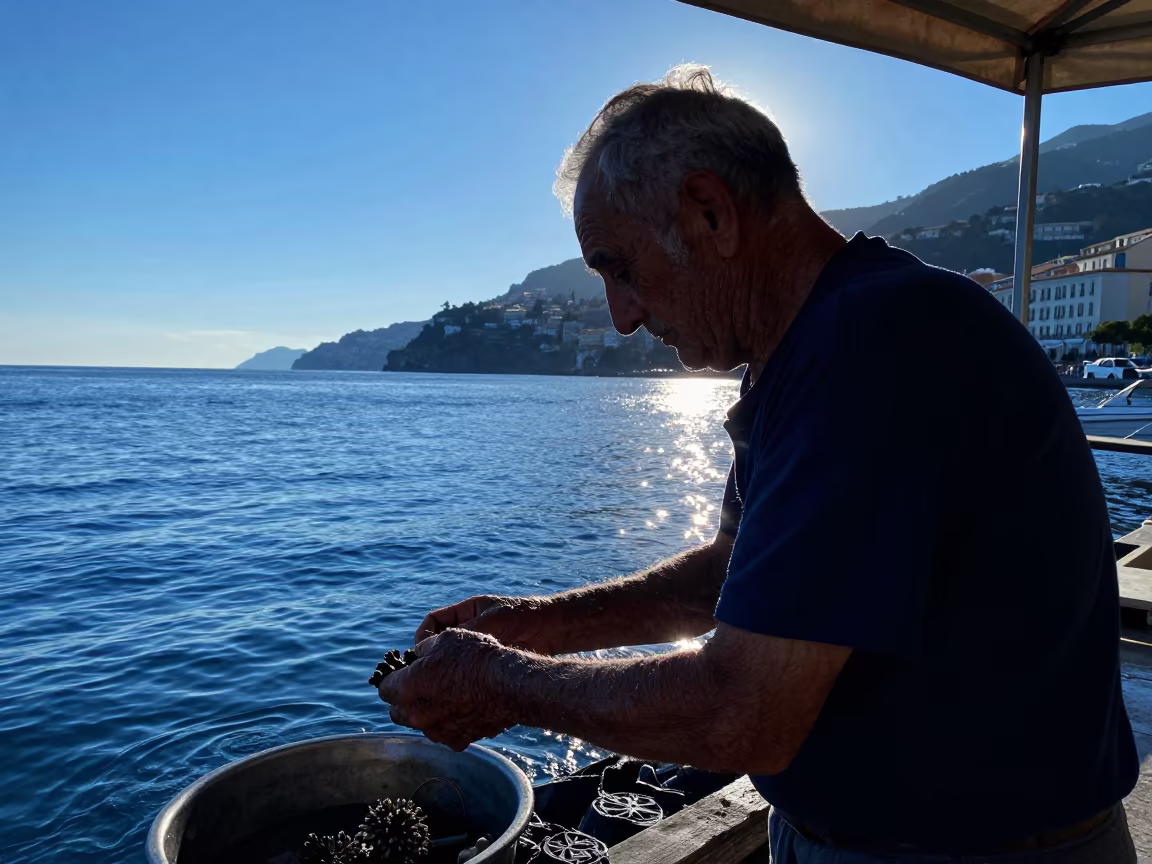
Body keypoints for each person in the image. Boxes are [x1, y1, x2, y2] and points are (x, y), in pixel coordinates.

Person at [378, 65, 1139, 862]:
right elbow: (731, 575)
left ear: (710, 214)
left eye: (619, 268)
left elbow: (743, 711)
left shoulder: (875, 346)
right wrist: (532, 627)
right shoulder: (807, 348)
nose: (623, 316)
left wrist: (500, 681)